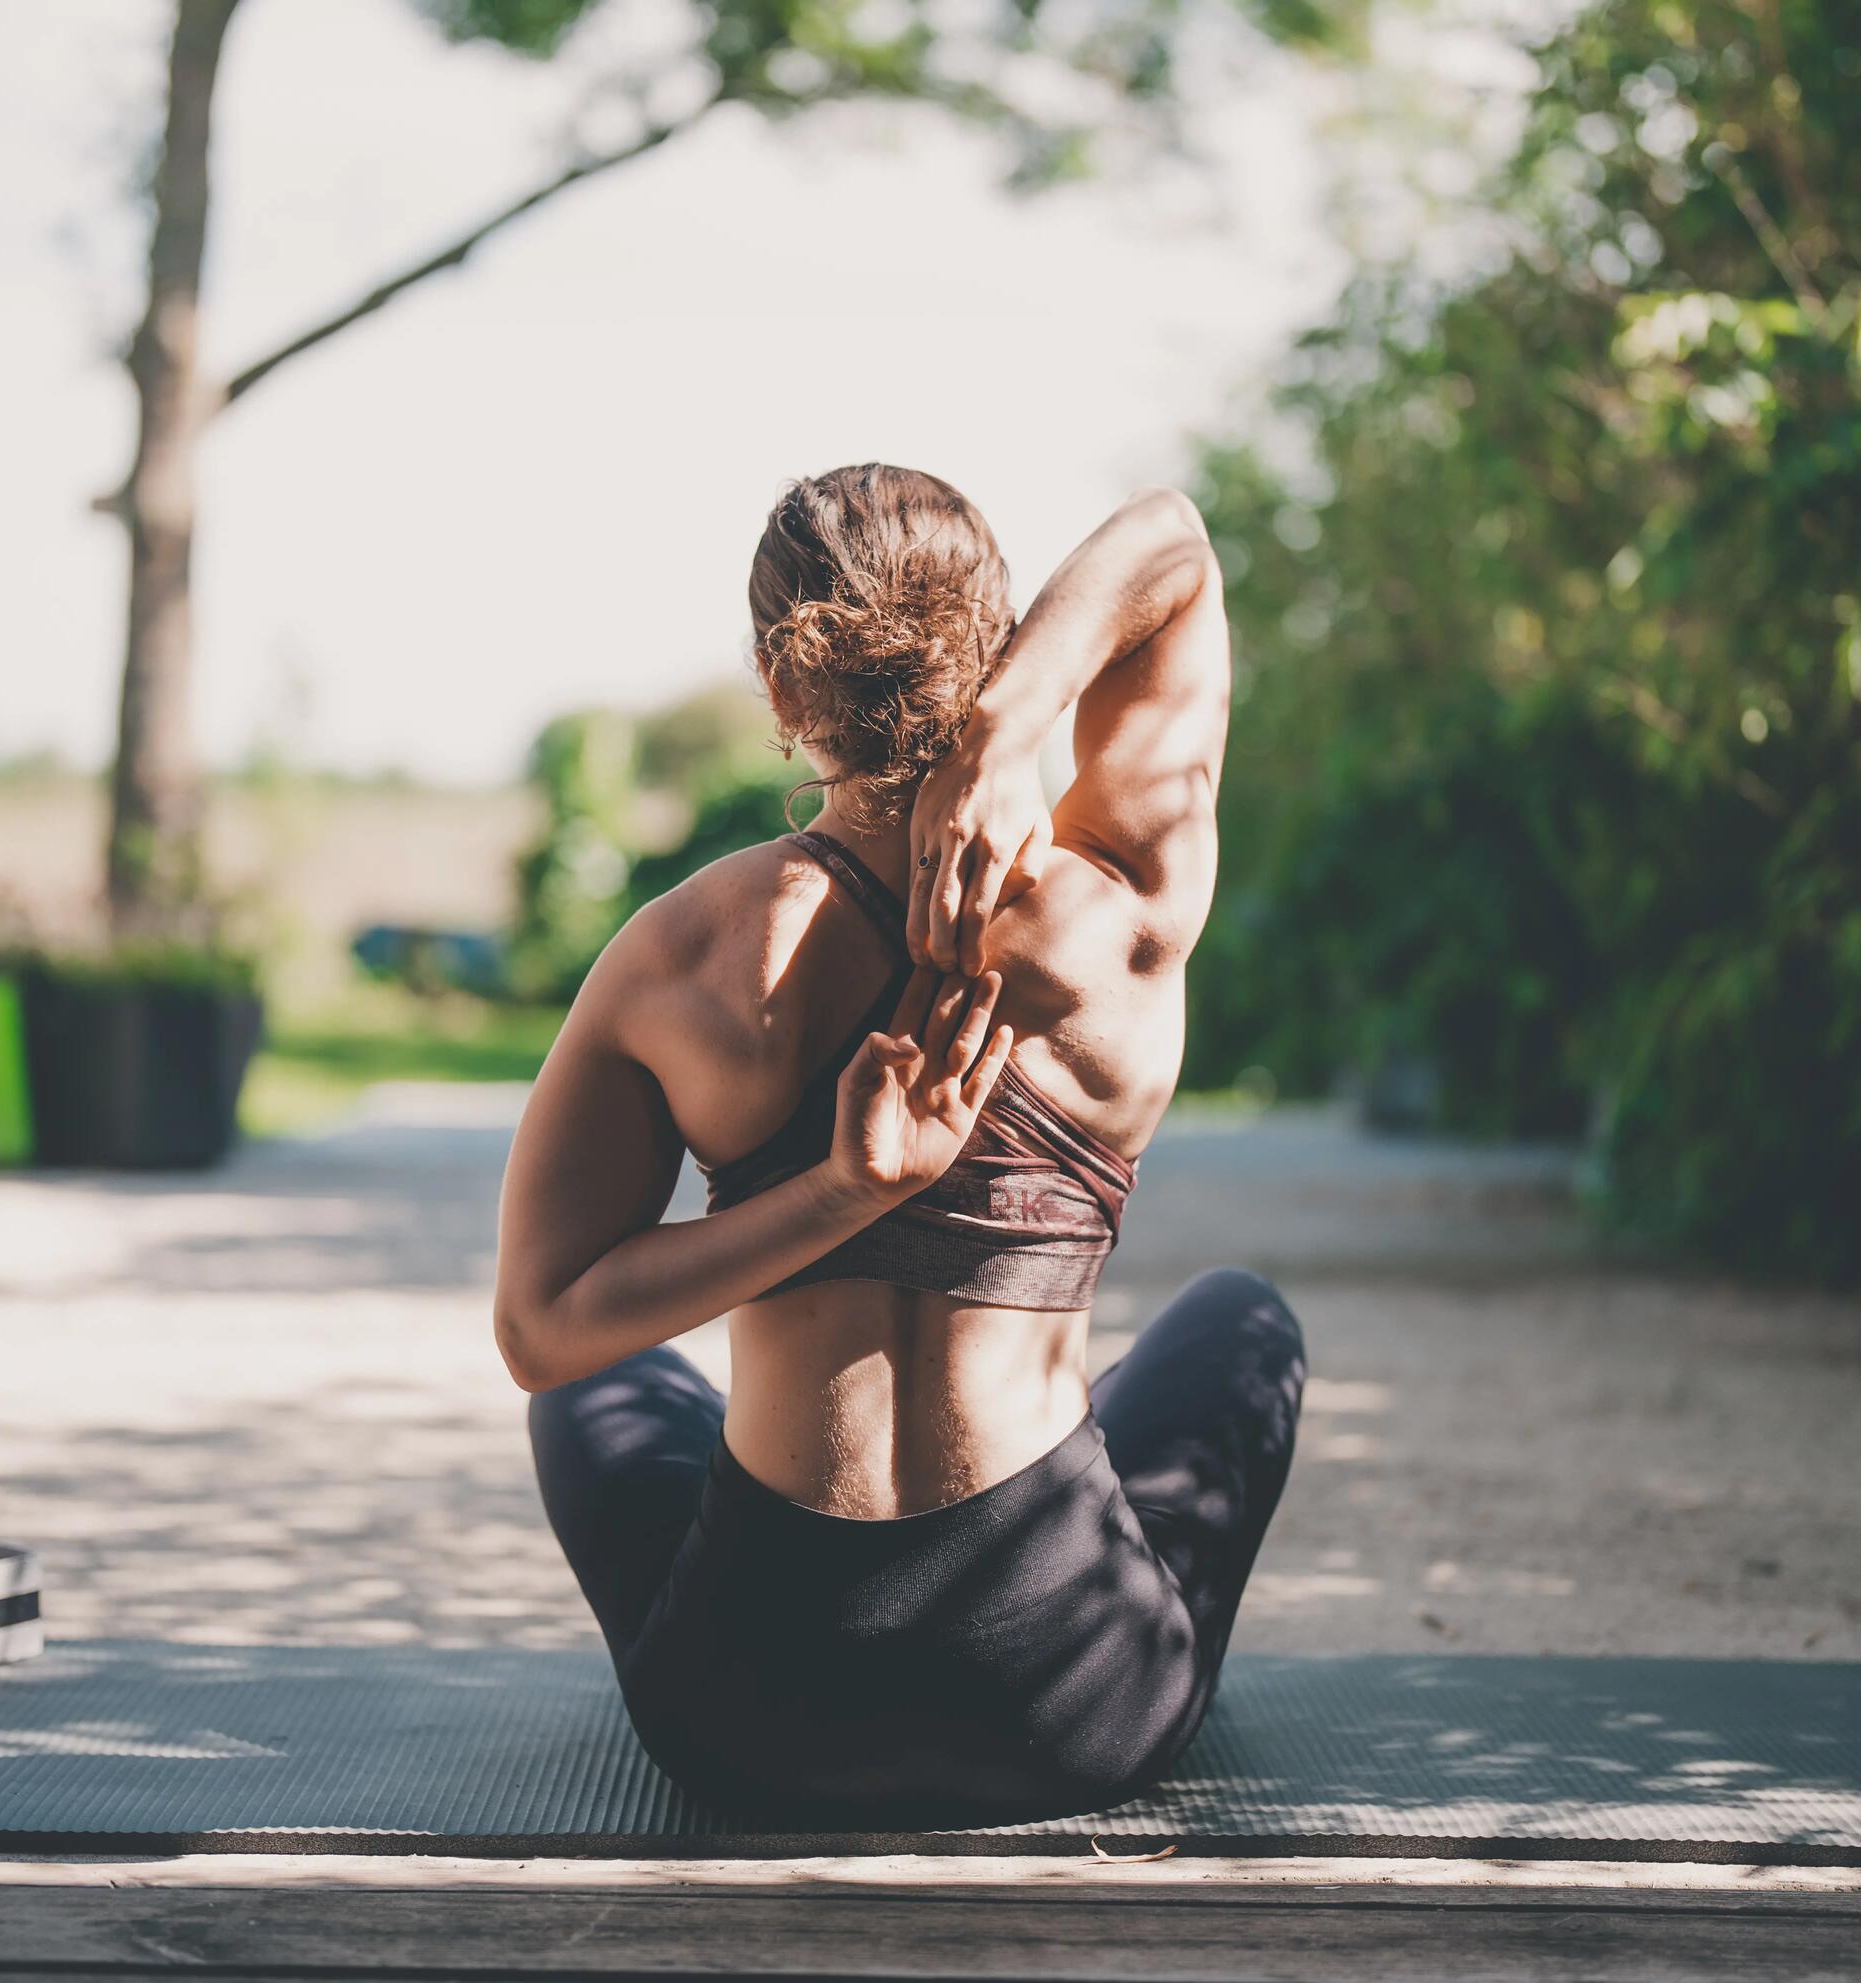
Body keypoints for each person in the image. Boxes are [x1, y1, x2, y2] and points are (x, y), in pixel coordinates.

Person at [494, 465, 1306, 1826]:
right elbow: (1172, 543)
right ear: (995, 646)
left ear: (777, 685)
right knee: (1241, 1320)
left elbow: (543, 1331)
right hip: (1073, 1703)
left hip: (752, 1720)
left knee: (590, 1393)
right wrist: (1011, 728)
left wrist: (831, 1196)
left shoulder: (679, 954)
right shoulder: (1117, 911)